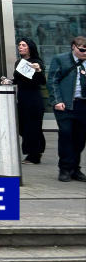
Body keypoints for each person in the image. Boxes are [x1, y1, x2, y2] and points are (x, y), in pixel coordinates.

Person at [47, 35, 86, 182]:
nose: (84, 53)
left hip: (83, 104)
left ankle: (75, 168)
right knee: (66, 134)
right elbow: (52, 80)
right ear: (73, 47)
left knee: (80, 138)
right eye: (82, 50)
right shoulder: (61, 59)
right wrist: (57, 100)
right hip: (65, 105)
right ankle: (64, 168)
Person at [9, 38, 47, 164]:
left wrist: (38, 70)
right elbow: (19, 79)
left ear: (29, 48)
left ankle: (34, 155)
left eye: (23, 45)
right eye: (19, 45)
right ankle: (38, 147)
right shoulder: (19, 62)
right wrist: (9, 81)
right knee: (23, 126)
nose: (20, 47)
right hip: (23, 98)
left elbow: (42, 81)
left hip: (33, 98)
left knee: (32, 126)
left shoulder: (36, 62)